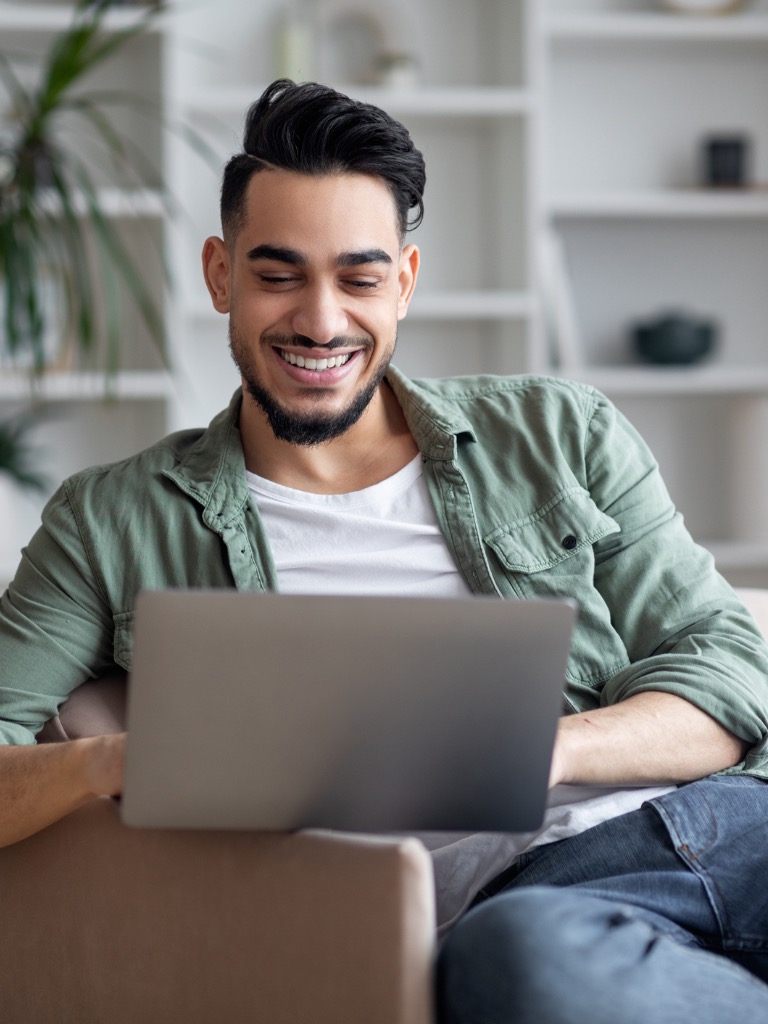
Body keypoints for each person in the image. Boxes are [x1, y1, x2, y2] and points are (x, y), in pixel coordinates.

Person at [1, 78, 768, 1022]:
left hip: (719, 829)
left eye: (359, 279)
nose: (321, 322)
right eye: (278, 275)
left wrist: (531, 747)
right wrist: (119, 761)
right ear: (220, 274)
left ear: (403, 281)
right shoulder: (111, 519)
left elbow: (732, 676)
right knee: (530, 958)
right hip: (533, 912)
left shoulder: (562, 433)